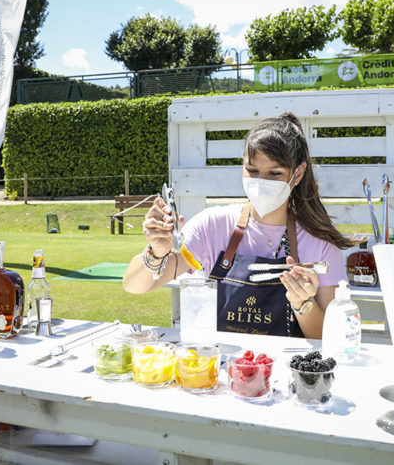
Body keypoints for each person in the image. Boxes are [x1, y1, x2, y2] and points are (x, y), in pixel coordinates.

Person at [123, 112, 353, 339]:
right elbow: (134, 286)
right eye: (252, 171)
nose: (261, 182)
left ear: (298, 173)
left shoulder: (320, 244)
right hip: (219, 361)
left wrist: (303, 303)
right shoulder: (211, 226)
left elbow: (329, 337)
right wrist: (158, 252)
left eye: (275, 173)